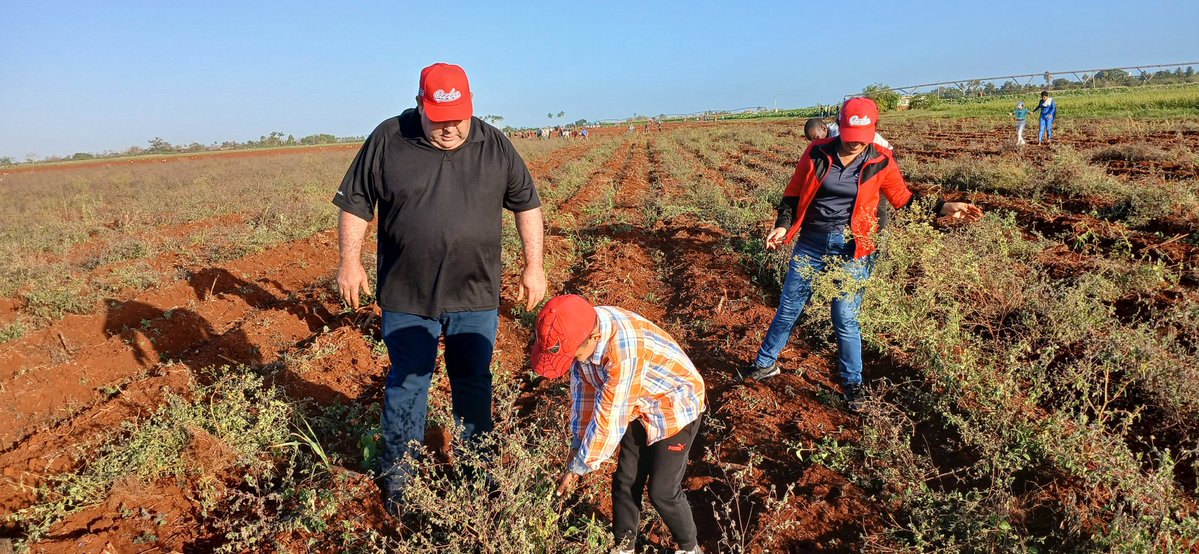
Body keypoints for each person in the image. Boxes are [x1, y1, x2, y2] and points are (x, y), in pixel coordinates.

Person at [332, 62, 547, 514]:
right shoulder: (388, 139)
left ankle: (477, 476)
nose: (450, 130)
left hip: (475, 293)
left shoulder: (495, 145)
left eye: (458, 120)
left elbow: (527, 205)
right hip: (408, 295)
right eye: (439, 120)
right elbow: (355, 203)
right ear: (419, 105)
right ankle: (400, 484)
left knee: (473, 382)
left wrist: (535, 266)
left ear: (471, 106)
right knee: (408, 384)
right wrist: (349, 263)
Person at [743, 97, 982, 411]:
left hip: (854, 249)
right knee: (789, 308)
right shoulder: (816, 152)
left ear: (873, 131)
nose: (856, 145)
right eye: (850, 138)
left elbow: (904, 200)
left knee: (845, 317)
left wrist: (942, 207)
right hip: (811, 244)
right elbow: (793, 195)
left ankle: (853, 384)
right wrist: (783, 226)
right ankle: (765, 363)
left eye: (862, 139)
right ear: (839, 128)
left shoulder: (881, 159)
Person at [534, 295, 705, 554]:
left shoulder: (622, 351)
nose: (572, 360)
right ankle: (624, 546)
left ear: (592, 339)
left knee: (662, 491)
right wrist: (577, 444)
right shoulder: (580, 329)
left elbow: (609, 418)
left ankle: (689, 547)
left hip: (675, 404)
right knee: (626, 479)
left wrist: (580, 466)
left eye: (574, 354)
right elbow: (585, 396)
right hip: (637, 402)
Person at [805, 117, 893, 151]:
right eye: (811, 140)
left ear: (823, 129)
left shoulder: (838, 132)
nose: (814, 142)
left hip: (884, 151)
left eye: (816, 138)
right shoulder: (826, 135)